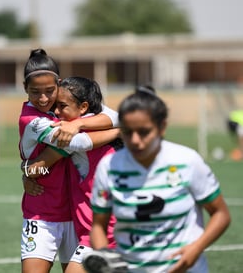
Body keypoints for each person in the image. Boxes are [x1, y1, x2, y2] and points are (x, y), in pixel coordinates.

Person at [83, 85, 231, 273]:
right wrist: (105, 255)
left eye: (144, 132)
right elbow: (98, 226)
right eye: (128, 132)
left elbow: (221, 214)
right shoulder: (109, 166)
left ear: (162, 128)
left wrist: (196, 248)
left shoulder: (187, 161)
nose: (135, 140)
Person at [19, 49, 119, 273]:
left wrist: (79, 124)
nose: (44, 99)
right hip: (43, 213)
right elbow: (76, 144)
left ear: (59, 84)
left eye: (49, 91)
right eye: (35, 92)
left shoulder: (68, 106)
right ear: (25, 88)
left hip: (76, 215)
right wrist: (117, 132)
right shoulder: (32, 119)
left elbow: (117, 116)